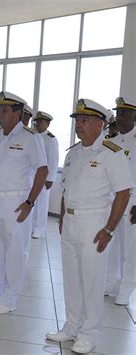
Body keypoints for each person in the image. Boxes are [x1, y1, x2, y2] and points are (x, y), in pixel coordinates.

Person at [45, 99, 132, 354]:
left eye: (84, 121)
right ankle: (71, 327)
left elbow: (123, 193)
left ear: (100, 124)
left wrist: (109, 229)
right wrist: (62, 217)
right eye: (77, 120)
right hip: (70, 222)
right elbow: (66, 190)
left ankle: (89, 333)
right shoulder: (73, 153)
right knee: (72, 278)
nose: (78, 125)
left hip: (95, 222)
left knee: (92, 281)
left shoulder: (111, 153)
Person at [0, 91, 48, 314]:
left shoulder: (29, 137)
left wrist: (30, 202)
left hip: (16, 201)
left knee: (15, 251)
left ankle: (10, 297)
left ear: (18, 113)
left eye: (5, 111)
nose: (0, 114)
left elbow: (42, 170)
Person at [105, 97, 136, 306]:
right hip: (112, 202)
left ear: (135, 116)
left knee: (131, 248)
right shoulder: (111, 142)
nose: (120, 117)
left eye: (124, 113)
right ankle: (111, 283)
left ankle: (126, 289)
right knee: (111, 245)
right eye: (118, 113)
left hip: (133, 203)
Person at [31, 111, 59, 239]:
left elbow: (53, 160)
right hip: (31, 175)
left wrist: (50, 178)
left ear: (47, 124)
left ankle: (40, 228)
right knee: (31, 201)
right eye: (36, 121)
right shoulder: (32, 136)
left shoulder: (50, 139)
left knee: (42, 203)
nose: (38, 124)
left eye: (41, 121)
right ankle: (31, 226)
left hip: (44, 177)